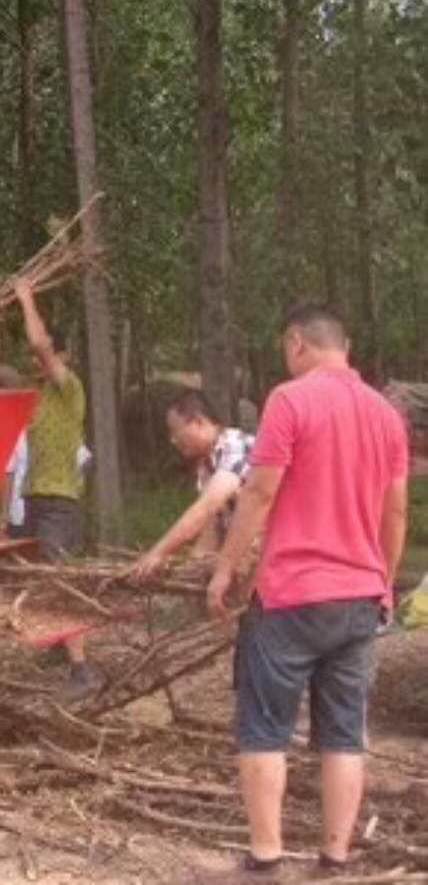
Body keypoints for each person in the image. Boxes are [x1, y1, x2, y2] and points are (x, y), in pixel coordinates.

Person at [206, 304, 409, 877]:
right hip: (358, 598)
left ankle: (266, 857)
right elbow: (396, 510)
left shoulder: (289, 400)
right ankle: (334, 857)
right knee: (345, 734)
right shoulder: (385, 416)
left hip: (291, 595)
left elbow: (260, 492)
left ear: (297, 343)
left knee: (265, 728)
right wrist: (383, 583)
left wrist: (225, 569)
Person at [0, 277, 95, 697]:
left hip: (60, 501)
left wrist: (28, 300)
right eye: (31, 358)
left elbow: (42, 347)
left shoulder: (70, 390)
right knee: (38, 579)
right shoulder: (31, 392)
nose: (35, 361)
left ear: (63, 356)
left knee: (58, 579)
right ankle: (59, 648)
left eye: (44, 355)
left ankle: (82, 669)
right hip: (33, 499)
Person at [131, 389, 255, 580]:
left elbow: (206, 507)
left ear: (198, 422)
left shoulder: (234, 446)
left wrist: (158, 552)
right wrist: (189, 571)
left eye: (175, 430)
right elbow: (212, 527)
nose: (173, 440)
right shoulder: (206, 466)